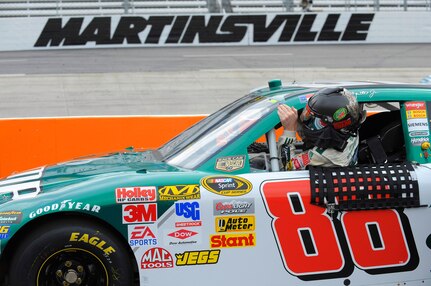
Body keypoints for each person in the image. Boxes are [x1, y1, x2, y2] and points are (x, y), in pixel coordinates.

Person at [277, 87, 364, 170]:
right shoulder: (350, 124)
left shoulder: (324, 155)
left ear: (332, 127)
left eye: (316, 121)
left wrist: (289, 130)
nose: (307, 121)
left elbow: (287, 166)